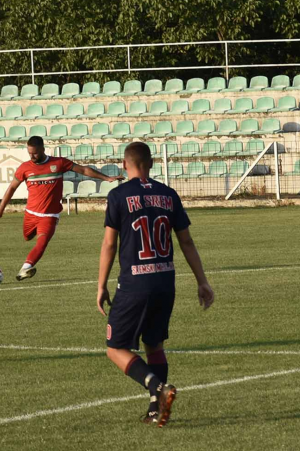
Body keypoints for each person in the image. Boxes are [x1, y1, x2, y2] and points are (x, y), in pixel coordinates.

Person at [96, 141, 214, 427]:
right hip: (165, 281)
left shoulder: (118, 195)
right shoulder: (169, 194)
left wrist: (101, 285)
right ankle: (155, 409)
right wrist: (202, 281)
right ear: (151, 164)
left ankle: (157, 387)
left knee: (115, 348)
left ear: (125, 165)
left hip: (135, 283)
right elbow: (185, 240)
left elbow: (110, 244)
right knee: (154, 345)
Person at [0, 136, 123, 280]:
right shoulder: (25, 168)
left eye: (35, 153)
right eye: (29, 153)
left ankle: (25, 269)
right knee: (27, 236)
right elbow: (12, 187)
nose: (32, 156)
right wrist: (0, 209)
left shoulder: (58, 163)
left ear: (43, 149)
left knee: (42, 242)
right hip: (30, 214)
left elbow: (84, 170)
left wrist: (106, 178)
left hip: (50, 215)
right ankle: (32, 246)